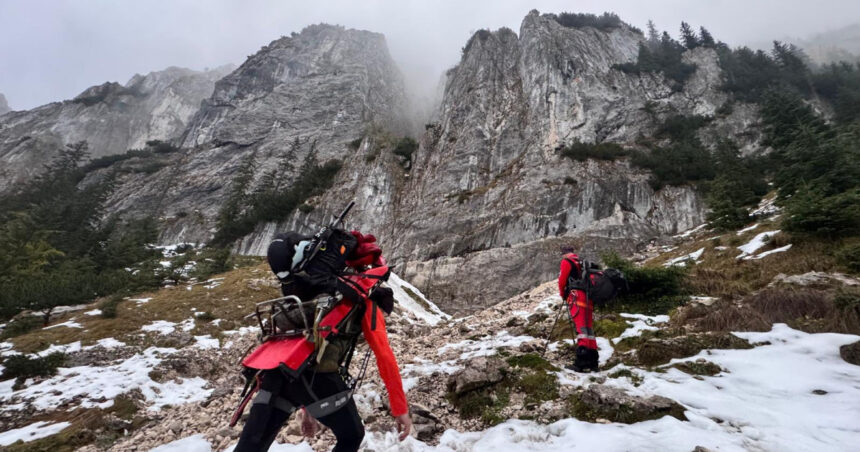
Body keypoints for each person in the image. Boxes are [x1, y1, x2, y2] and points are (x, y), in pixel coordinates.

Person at [234, 230, 412, 452]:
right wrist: (400, 409)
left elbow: (311, 339)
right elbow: (384, 356)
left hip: (276, 372)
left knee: (250, 446)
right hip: (316, 377)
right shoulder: (362, 298)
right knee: (352, 436)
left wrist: (307, 409)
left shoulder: (315, 286)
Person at [558, 247, 599, 372]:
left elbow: (562, 280)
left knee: (581, 329)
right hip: (588, 298)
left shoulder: (567, 262)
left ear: (564, 254)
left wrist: (562, 294)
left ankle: (581, 361)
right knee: (588, 329)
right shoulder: (581, 262)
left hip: (576, 297)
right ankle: (593, 361)